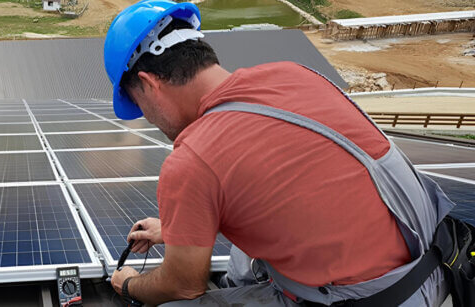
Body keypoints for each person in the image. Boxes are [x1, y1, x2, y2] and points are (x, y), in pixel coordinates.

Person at [103, 1, 455, 306]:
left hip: (373, 300)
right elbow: (285, 191)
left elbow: (182, 286)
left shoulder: (192, 158)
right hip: (438, 266)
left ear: (149, 84)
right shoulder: (294, 74)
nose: (147, 119)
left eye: (139, 105)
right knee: (243, 260)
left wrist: (129, 284)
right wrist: (177, 229)